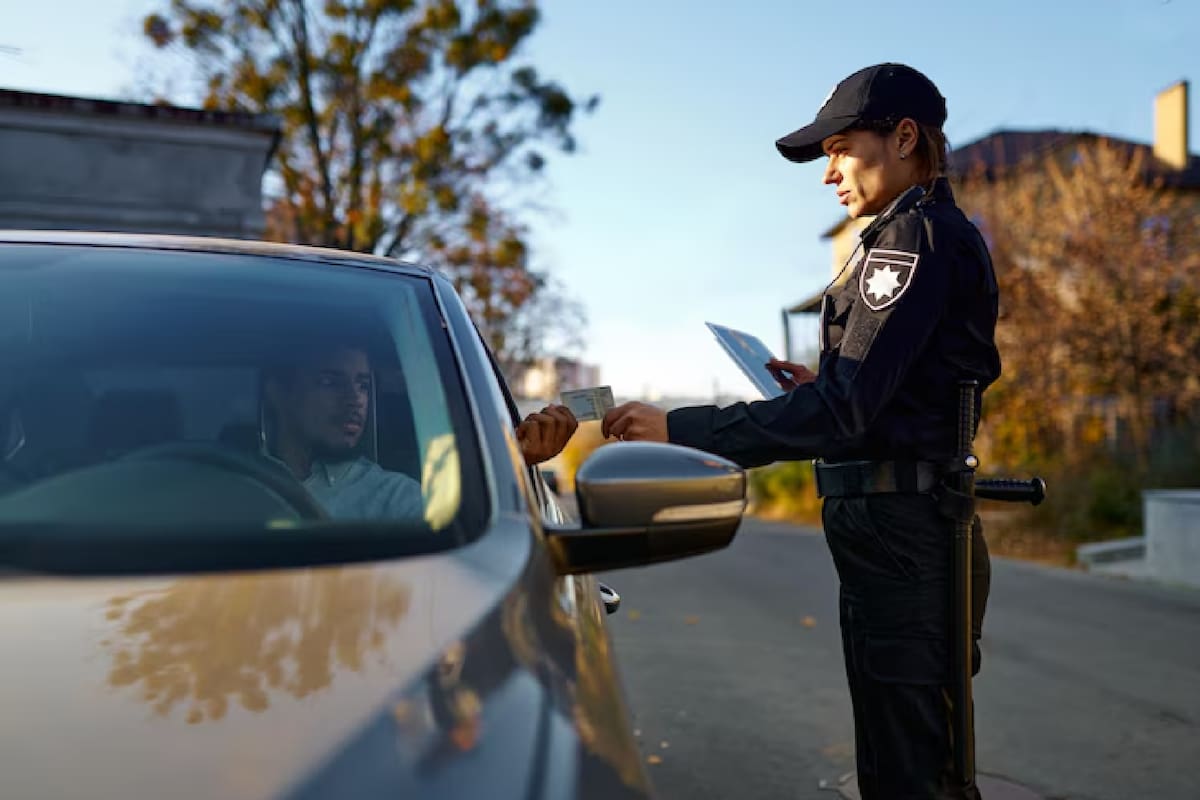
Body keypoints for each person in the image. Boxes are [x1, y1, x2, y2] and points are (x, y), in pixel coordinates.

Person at [602, 63, 1000, 799]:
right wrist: (835, 387)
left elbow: (842, 415)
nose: (830, 175)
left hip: (905, 534)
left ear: (904, 137)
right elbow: (900, 392)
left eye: (841, 149)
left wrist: (681, 427)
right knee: (907, 753)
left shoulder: (910, 239)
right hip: (902, 531)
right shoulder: (917, 234)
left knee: (912, 771)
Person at [264, 342, 578, 520]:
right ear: (278, 393)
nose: (354, 400)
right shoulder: (226, 480)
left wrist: (511, 465)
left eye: (362, 385)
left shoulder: (397, 499)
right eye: (330, 382)